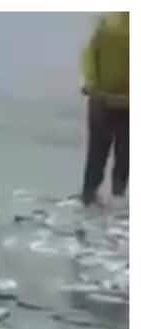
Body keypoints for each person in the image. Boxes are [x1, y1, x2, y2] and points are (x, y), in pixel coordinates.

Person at [80, 12, 129, 205]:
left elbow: (88, 57)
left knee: (98, 152)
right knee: (126, 153)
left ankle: (90, 195)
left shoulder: (103, 26)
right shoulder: (106, 26)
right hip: (121, 101)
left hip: (102, 99)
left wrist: (91, 85)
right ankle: (117, 195)